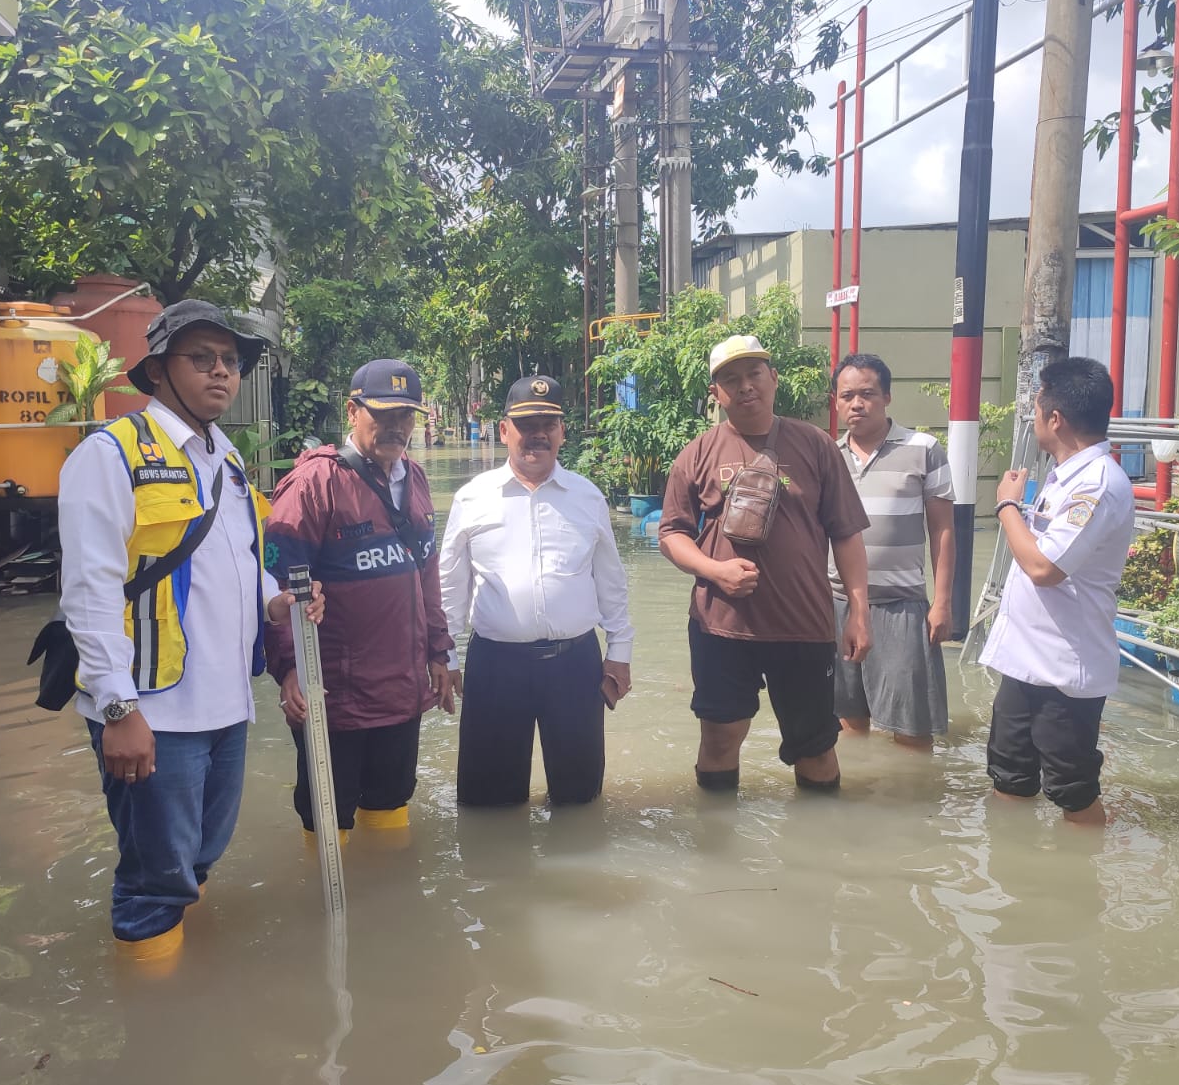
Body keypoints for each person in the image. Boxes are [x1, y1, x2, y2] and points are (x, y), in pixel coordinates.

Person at [59, 299, 321, 963]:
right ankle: (155, 1034)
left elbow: (239, 563)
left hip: (224, 706)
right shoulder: (109, 456)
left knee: (198, 859)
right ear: (156, 370)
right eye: (201, 358)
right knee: (154, 881)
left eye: (230, 361)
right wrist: (117, 710)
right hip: (152, 708)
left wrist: (278, 605)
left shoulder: (228, 462)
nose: (221, 373)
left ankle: (187, 988)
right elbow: (89, 593)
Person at [657, 334, 873, 793]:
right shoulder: (696, 454)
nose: (745, 386)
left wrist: (858, 612)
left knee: (816, 746)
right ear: (716, 394)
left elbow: (847, 534)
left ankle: (815, 856)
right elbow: (672, 534)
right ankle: (716, 849)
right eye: (730, 379)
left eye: (755, 374)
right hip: (721, 626)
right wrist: (715, 571)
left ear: (774, 379)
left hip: (804, 625)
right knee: (720, 737)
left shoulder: (815, 446)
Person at [264, 359, 456, 845]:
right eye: (383, 413)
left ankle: (388, 911)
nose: (396, 426)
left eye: (407, 415)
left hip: (401, 689)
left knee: (392, 808)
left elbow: (426, 572)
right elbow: (276, 587)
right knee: (330, 825)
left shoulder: (413, 478)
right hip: (334, 698)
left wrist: (439, 649)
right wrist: (289, 668)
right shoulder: (315, 484)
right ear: (353, 411)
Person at [439, 375, 633, 808]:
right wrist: (445, 655)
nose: (537, 435)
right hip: (495, 666)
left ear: (562, 431)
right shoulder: (473, 498)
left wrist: (620, 649)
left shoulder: (587, 497)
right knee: (489, 805)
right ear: (505, 430)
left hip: (575, 666)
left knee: (580, 799)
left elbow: (610, 581)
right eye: (527, 425)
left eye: (548, 423)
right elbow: (450, 585)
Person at [980, 356, 1134, 826]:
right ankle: (1012, 882)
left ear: (1055, 418)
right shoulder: (1064, 477)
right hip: (1024, 664)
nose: (1033, 420)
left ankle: (1080, 890)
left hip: (1065, 672)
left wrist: (1006, 505)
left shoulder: (1098, 484)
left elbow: (1044, 567)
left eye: (1035, 410)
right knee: (1009, 777)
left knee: (1072, 791)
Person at [830, 354, 956, 748]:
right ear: (836, 402)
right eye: (847, 395)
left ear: (887, 396)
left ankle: (914, 803)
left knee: (913, 726)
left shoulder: (925, 449)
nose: (857, 404)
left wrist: (942, 603)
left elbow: (943, 528)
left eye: (867, 393)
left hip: (902, 604)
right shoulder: (828, 456)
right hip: (838, 602)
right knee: (848, 717)